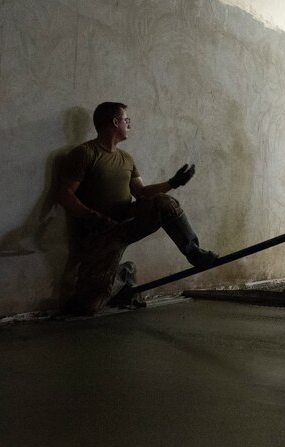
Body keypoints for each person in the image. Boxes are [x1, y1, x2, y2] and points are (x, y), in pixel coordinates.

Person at [56, 102, 218, 315]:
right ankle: (124, 274)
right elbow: (64, 194)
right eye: (126, 120)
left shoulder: (126, 158)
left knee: (164, 202)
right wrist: (91, 217)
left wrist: (173, 183)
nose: (129, 124)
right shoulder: (85, 153)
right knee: (88, 306)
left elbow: (141, 192)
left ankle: (195, 254)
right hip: (100, 233)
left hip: (125, 223)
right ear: (115, 122)